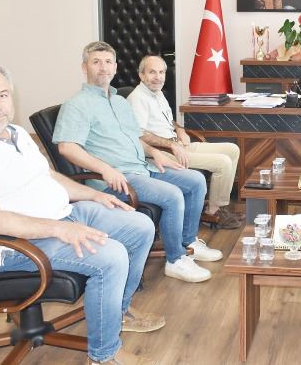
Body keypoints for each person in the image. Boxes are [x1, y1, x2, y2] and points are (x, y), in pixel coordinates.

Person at [0, 63, 161, 365]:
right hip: (15, 245)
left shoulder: (15, 133)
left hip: (62, 216)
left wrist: (94, 195)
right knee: (112, 257)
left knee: (140, 226)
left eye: (3, 95)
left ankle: (116, 312)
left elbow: (48, 176)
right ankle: (104, 356)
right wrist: (61, 229)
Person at [53, 41, 222, 284]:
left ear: (115, 67)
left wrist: (155, 152)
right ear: (84, 67)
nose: (103, 67)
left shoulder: (119, 102)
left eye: (108, 62)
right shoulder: (77, 105)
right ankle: (175, 260)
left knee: (195, 180)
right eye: (96, 62)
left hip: (141, 167)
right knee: (173, 195)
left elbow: (135, 138)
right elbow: (67, 147)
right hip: (116, 179)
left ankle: (189, 242)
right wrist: (105, 169)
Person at [127, 54, 243, 229]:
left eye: (161, 72)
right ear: (141, 75)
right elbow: (140, 134)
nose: (158, 77)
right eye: (152, 72)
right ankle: (213, 212)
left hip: (177, 145)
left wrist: (180, 129)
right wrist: (172, 145)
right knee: (223, 162)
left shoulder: (157, 93)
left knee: (232, 149)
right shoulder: (137, 98)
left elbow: (167, 121)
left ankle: (220, 205)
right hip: (162, 152)